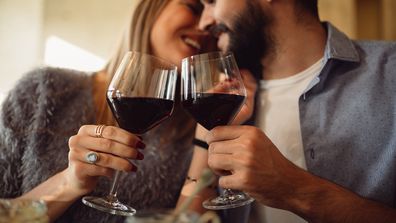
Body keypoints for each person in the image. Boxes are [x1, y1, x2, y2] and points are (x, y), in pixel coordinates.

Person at [0, 0, 217, 222]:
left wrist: (206, 138)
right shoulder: (44, 90)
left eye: (216, 21)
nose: (206, 23)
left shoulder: (197, 126)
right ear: (152, 6)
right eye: (194, 7)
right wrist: (70, 182)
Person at [183, 0, 396, 222]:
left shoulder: (391, 74)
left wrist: (294, 188)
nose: (203, 23)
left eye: (211, 2)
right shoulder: (227, 102)